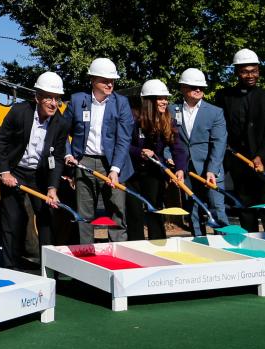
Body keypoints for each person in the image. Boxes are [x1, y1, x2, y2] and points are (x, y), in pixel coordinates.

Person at [0, 71, 71, 268]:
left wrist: (53, 188)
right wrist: (4, 172)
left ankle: (49, 266)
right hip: (15, 170)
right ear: (37, 97)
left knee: (47, 219)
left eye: (57, 99)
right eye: (49, 98)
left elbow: (58, 157)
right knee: (12, 220)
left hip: (41, 174)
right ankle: (11, 269)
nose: (53, 103)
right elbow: (1, 141)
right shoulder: (19, 112)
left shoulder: (61, 123)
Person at [64, 57, 135, 243]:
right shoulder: (77, 100)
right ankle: (86, 255)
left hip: (113, 163)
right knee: (84, 214)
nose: (110, 84)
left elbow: (124, 139)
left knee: (117, 212)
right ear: (93, 80)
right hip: (84, 162)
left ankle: (119, 253)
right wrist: (68, 153)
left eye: (112, 80)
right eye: (105, 80)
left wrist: (115, 169)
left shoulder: (122, 103)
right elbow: (61, 131)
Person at [214, 49, 265, 232]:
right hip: (239, 164)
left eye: (254, 71)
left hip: (264, 166)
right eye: (245, 71)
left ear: (259, 71)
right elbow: (220, 128)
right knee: (245, 211)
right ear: (237, 72)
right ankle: (250, 247)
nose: (250, 75)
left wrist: (260, 156)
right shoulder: (224, 97)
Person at [129, 80, 190, 240]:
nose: (165, 102)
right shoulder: (133, 119)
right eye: (160, 98)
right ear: (149, 101)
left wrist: (180, 169)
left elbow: (178, 148)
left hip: (154, 173)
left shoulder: (168, 120)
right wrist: (139, 152)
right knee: (134, 213)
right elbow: (123, 145)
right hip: (132, 174)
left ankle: (158, 243)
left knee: (155, 210)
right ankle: (136, 246)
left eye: (165, 98)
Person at [171, 68, 228, 236]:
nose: (198, 90)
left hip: (211, 170)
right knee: (193, 210)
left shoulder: (215, 112)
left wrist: (212, 169)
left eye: (201, 87)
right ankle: (200, 244)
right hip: (186, 170)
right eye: (193, 86)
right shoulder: (171, 110)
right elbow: (168, 140)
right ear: (182, 87)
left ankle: (225, 248)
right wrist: (170, 159)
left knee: (217, 209)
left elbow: (219, 143)